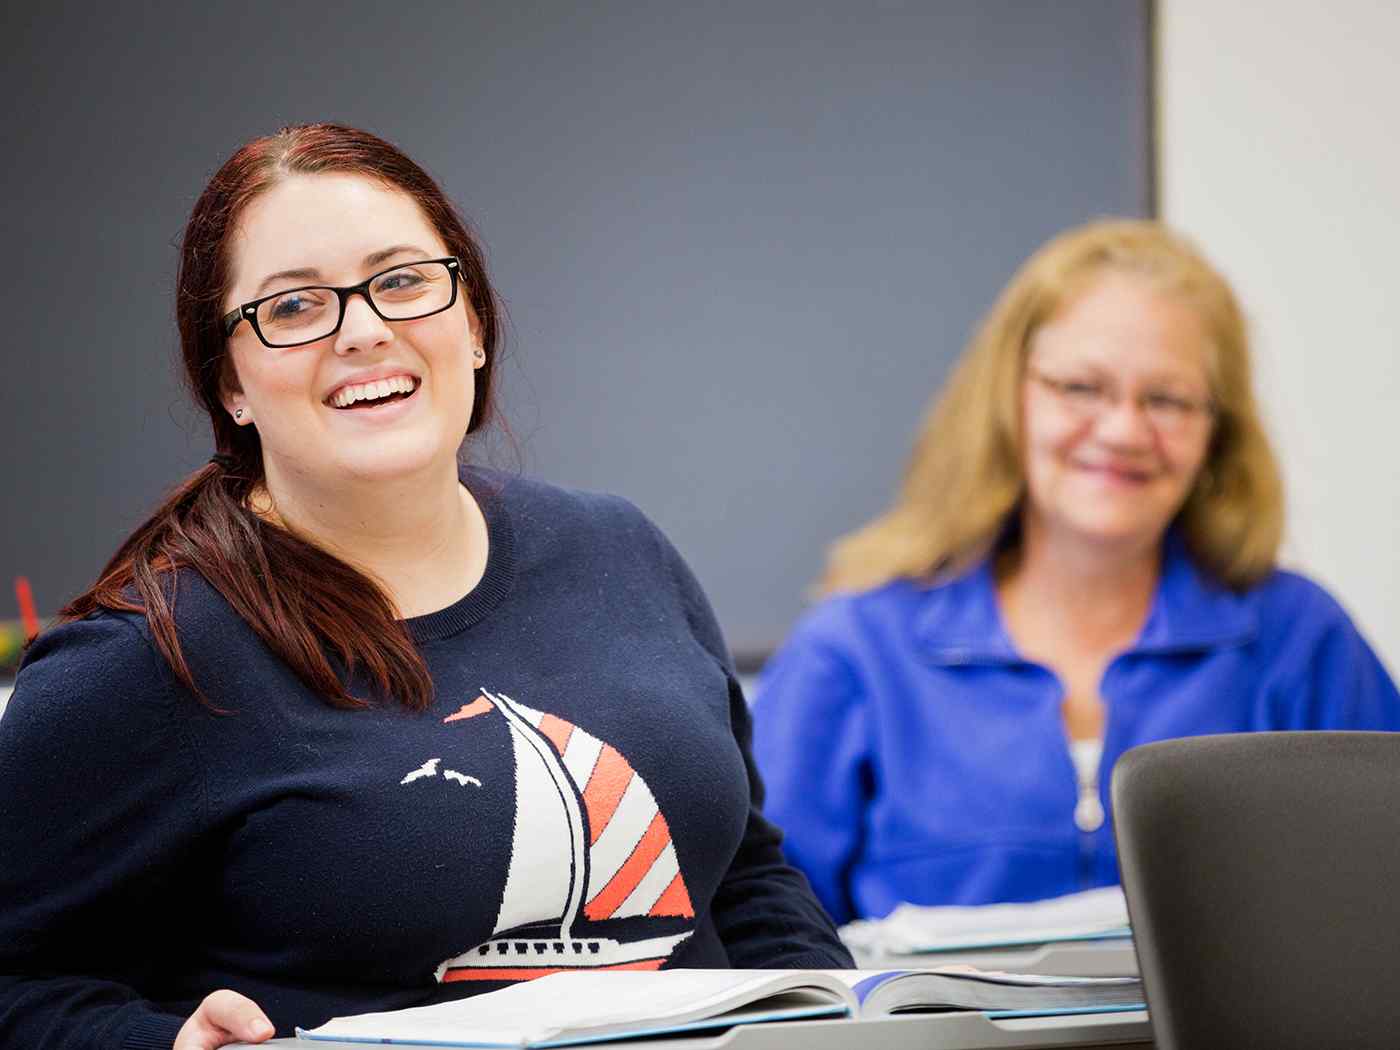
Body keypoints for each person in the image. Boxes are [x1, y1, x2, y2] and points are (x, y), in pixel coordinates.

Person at [0, 123, 851, 1050]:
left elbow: (745, 875)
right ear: (229, 382)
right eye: (292, 308)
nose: (363, 330)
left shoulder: (620, 550)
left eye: (402, 281)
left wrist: (840, 1027)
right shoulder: (144, 659)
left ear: (474, 323)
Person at [751, 219, 1400, 926]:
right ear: (1009, 398)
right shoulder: (852, 651)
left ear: (1217, 431)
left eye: (1167, 400)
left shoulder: (1302, 641)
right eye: (1081, 387)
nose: (1122, 431)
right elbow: (772, 943)